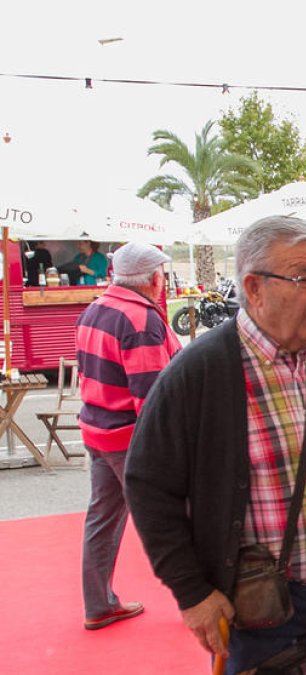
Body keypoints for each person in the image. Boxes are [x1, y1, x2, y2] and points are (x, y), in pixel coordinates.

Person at [125, 216, 306, 674]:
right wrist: (193, 593)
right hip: (258, 605)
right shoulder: (199, 372)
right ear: (254, 287)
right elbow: (148, 486)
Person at [76, 242, 181, 630]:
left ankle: (98, 603)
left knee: (102, 517)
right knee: (175, 520)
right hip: (128, 438)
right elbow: (151, 398)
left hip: (97, 430)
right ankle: (205, 601)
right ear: (154, 279)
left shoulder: (94, 310)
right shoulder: (140, 320)